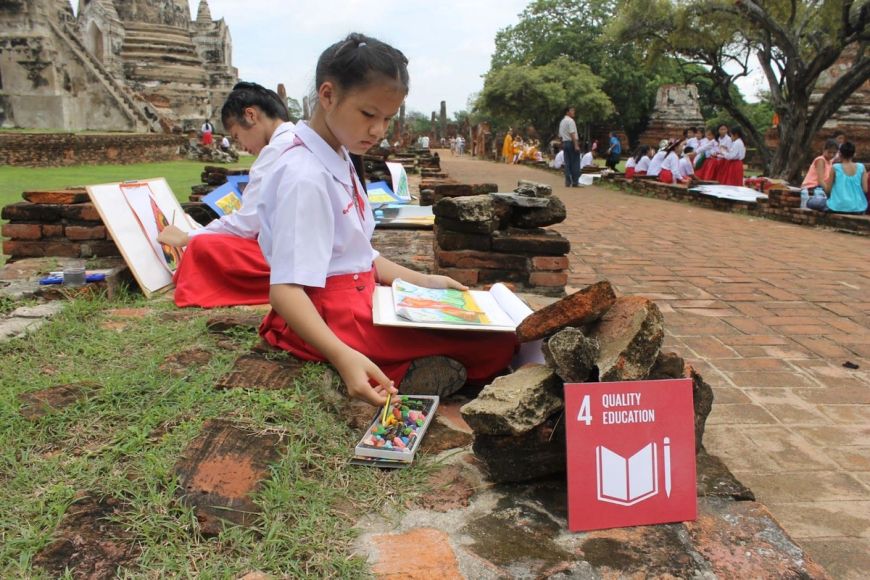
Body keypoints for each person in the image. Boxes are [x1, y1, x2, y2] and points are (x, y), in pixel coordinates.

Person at [256, 33, 517, 405]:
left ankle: (413, 364)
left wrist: (426, 282)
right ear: (327, 95)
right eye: (368, 115)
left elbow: (358, 254)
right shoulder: (305, 176)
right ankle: (396, 368)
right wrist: (343, 357)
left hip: (361, 298)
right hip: (327, 316)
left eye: (387, 119)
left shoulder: (340, 156)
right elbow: (284, 292)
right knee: (498, 343)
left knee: (493, 332)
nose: (378, 130)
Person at [158, 82, 294, 308]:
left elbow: (246, 225)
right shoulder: (302, 138)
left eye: (237, 135)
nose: (242, 145)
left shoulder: (275, 153)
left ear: (251, 115)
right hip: (318, 250)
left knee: (202, 248)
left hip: (296, 258)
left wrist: (188, 237)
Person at [816, 141, 868, 213]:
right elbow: (865, 189)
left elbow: (828, 190)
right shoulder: (861, 167)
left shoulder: (836, 167)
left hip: (837, 206)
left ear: (840, 154)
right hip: (858, 207)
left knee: (812, 202)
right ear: (854, 154)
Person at [800, 139, 838, 209]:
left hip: (822, 187)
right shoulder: (821, 160)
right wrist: (829, 192)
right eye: (829, 152)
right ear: (824, 150)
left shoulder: (830, 162)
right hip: (813, 186)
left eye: (834, 153)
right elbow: (821, 180)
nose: (832, 155)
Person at [559, 106, 581, 187]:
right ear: (567, 112)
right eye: (572, 111)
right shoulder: (571, 121)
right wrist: (576, 145)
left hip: (565, 143)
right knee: (575, 162)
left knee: (567, 163)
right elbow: (572, 133)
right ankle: (575, 182)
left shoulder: (562, 121)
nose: (573, 112)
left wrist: (562, 144)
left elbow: (560, 135)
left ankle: (567, 182)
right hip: (571, 143)